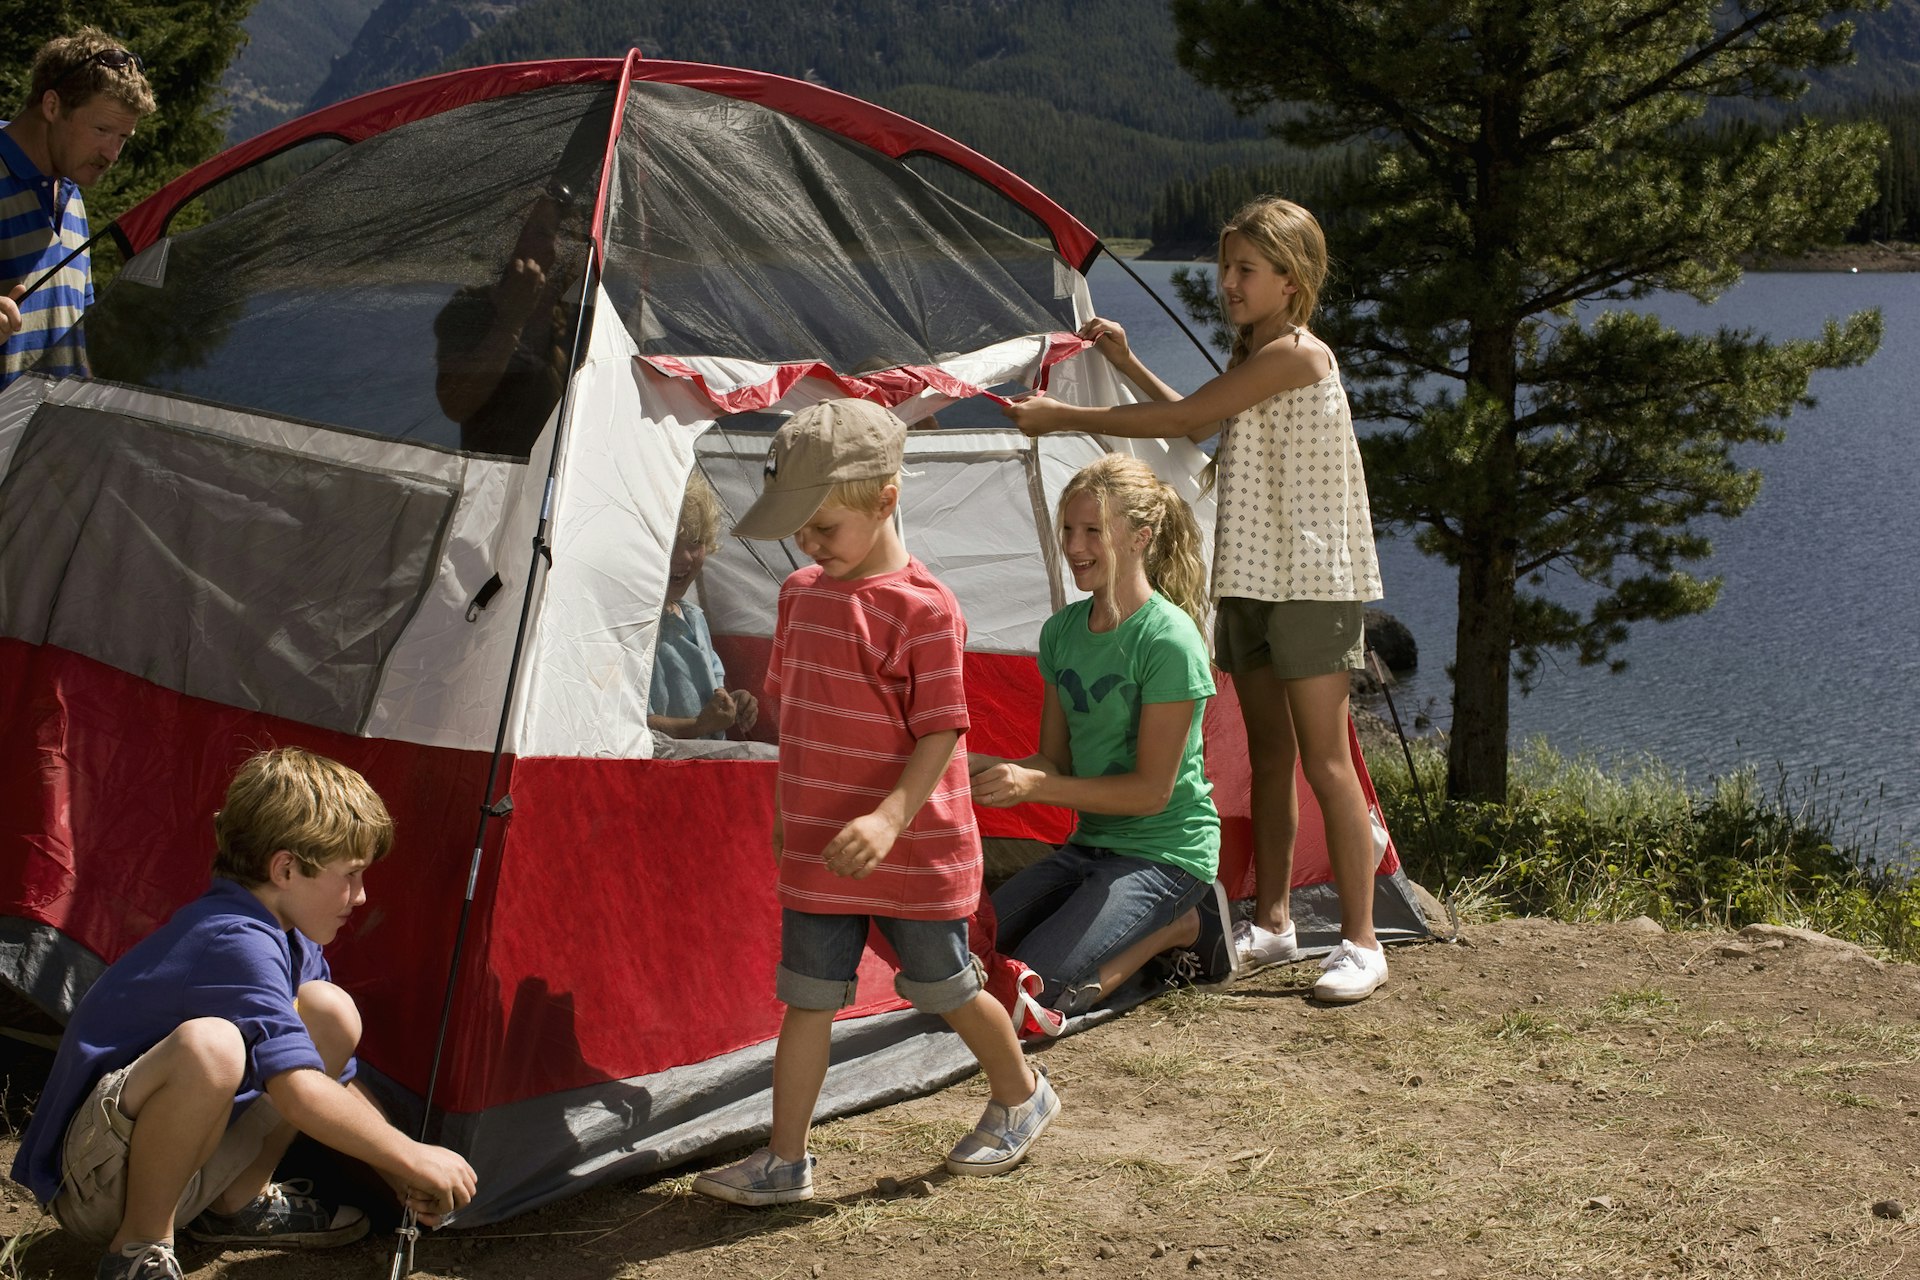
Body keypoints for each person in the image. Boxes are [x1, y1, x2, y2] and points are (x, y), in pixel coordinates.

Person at [1004, 196, 1390, 1004]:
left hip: (1313, 579)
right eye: (1225, 269)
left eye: (1245, 270)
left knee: (1323, 758)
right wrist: (1126, 359)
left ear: (1293, 279)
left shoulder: (1298, 354)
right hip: (1251, 572)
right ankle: (1277, 920)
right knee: (1272, 756)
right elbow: (1193, 429)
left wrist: (1061, 415)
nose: (1227, 284)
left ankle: (1360, 940)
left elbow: (1187, 415)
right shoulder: (1260, 354)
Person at [692, 398, 1058, 1206]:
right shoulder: (800, 595)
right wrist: (790, 808)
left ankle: (1022, 1092)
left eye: (823, 527)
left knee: (945, 987)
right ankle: (785, 1160)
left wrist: (890, 816)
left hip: (914, 844)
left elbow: (941, 733)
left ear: (886, 497)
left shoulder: (924, 609)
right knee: (807, 995)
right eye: (799, 530)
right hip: (825, 842)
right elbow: (800, 712)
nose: (808, 545)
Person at [11, 748, 479, 1280]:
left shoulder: (290, 938)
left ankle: (236, 1203)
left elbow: (332, 1079)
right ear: (285, 868)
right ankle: (138, 1250)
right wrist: (408, 1155)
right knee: (211, 1047)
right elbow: (300, 1091)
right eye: (350, 875)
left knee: (329, 1013)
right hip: (92, 1183)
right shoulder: (232, 939)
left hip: (172, 1166)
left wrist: (395, 1166)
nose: (362, 895)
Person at [969, 455, 1235, 1027]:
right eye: (1068, 528)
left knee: (1027, 1000)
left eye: (1093, 530)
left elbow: (1150, 794)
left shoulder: (1170, 641)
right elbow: (1052, 761)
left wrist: (1035, 786)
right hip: (1088, 848)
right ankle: (1139, 923)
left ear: (1140, 538)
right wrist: (966, 764)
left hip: (1165, 855)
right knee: (963, 961)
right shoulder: (1062, 631)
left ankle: (1180, 926)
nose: (1074, 544)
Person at [1, 28, 155, 389]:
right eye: (102, 129)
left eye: (122, 138)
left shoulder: (70, 195)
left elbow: (73, 342)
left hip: (46, 440)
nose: (112, 154)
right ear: (52, 106)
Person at [433, 181, 586, 455]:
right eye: (537, 232)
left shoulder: (581, 317)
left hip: (568, 476)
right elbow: (455, 404)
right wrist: (511, 321)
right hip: (492, 478)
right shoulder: (471, 307)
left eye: (562, 233)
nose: (555, 244)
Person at [648, 471, 760, 741]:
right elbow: (634, 725)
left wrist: (732, 705)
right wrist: (698, 726)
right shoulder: (635, 623)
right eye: (673, 542)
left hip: (701, 768)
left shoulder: (694, 617)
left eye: (696, 542)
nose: (686, 557)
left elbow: (710, 694)